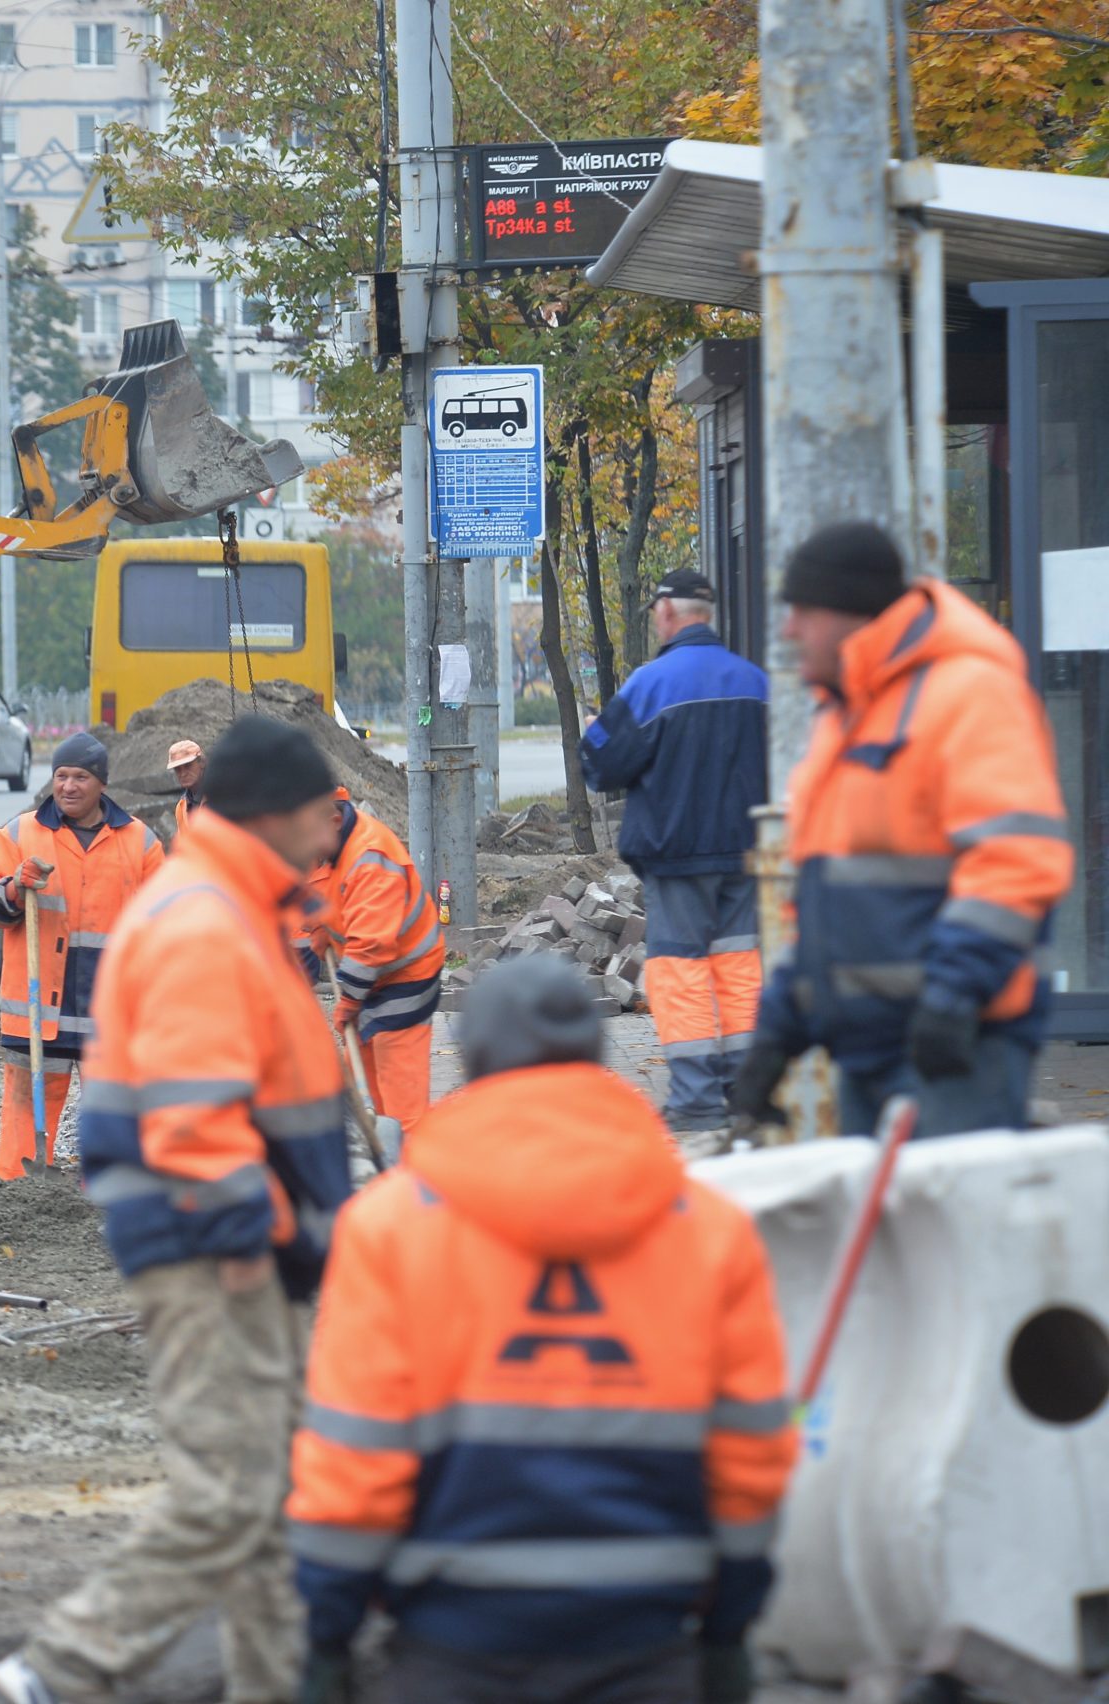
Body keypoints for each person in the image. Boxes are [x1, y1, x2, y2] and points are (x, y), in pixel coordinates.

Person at [286, 956, 797, 1704]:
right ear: (594, 1052)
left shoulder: (391, 1228)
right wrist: (731, 1627)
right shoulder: (711, 1231)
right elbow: (750, 1457)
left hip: (452, 1643)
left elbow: (356, 1461)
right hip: (647, 1640)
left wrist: (327, 1636)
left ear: (476, 1060)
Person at [0, 715, 352, 1704]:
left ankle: (279, 1685)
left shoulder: (234, 905)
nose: (335, 832)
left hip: (242, 1250)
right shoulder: (207, 919)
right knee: (230, 1499)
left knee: (269, 1501)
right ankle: (58, 1670)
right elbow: (194, 1120)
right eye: (324, 813)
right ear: (275, 815)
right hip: (216, 1254)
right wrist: (246, 1245)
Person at [731, 521, 1073, 1138]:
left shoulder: (970, 694)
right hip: (875, 1055)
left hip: (959, 1047)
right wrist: (777, 1036)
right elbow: (829, 900)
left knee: (948, 1233)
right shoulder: (845, 713)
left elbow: (1016, 858)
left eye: (803, 611)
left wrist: (953, 995)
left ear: (853, 613)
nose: (789, 630)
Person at [580, 568, 770, 1137]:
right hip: (746, 855)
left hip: (676, 857)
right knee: (740, 968)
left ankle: (695, 1101)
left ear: (665, 611)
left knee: (681, 973)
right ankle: (747, 1092)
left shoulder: (651, 685)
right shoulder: (757, 682)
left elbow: (602, 765)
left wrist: (594, 731)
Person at [0, 732, 165, 1180]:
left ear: (102, 784)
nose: (69, 786)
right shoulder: (21, 834)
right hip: (39, 1013)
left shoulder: (137, 841)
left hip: (109, 1015)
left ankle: (109, 1199)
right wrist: (15, 887)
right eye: (61, 776)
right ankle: (19, 1195)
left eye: (80, 777)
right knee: (25, 1115)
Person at [304, 786, 443, 1139]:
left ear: (333, 821)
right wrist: (320, 925)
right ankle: (377, 1148)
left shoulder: (370, 857)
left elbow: (370, 947)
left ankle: (409, 1169)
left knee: (400, 1094)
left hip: (406, 977)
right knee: (361, 1082)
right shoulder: (328, 844)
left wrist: (347, 1002)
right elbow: (323, 891)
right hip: (369, 976)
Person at [168, 739, 206, 832]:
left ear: (202, 763)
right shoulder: (182, 807)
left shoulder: (224, 795)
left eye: (188, 766)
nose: (183, 773)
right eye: (177, 769)